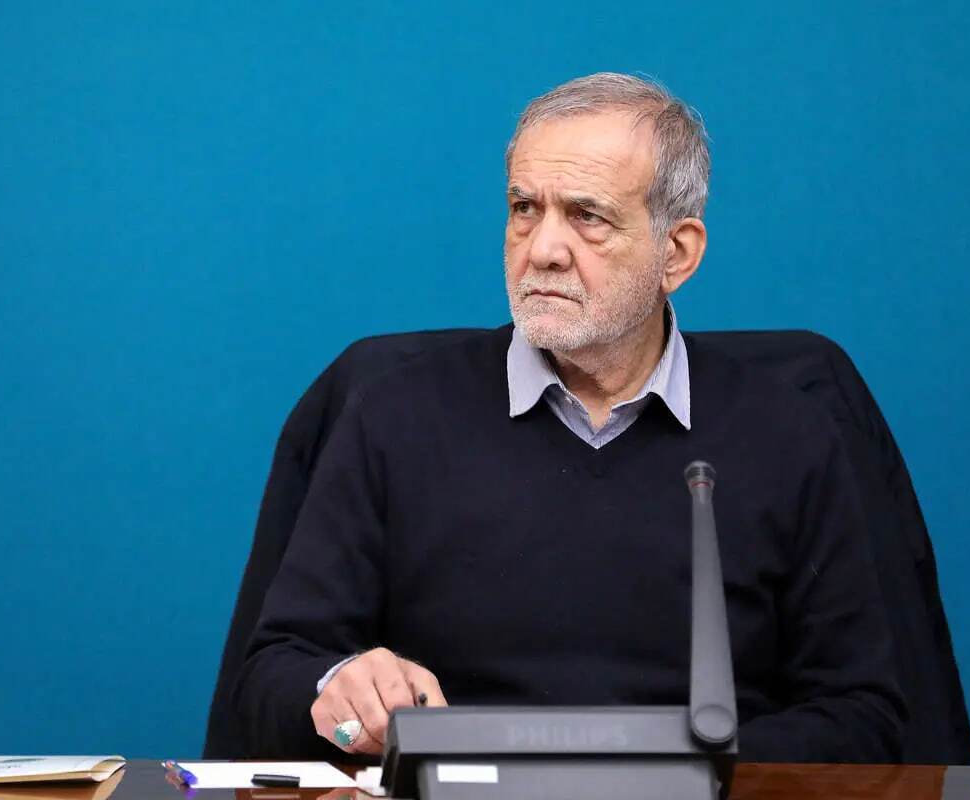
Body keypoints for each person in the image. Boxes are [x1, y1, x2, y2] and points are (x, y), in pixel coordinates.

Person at [232, 73, 906, 764]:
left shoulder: (787, 432)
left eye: (587, 216)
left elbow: (863, 719)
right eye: (525, 208)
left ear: (676, 253)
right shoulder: (394, 412)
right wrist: (338, 689)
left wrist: (673, 770)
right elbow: (268, 682)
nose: (543, 249)